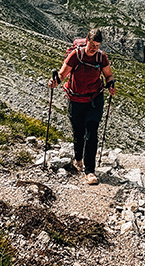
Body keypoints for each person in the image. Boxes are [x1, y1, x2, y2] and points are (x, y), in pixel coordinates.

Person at [49, 28, 116, 185]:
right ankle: (78, 158)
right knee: (78, 133)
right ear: (86, 41)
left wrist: (110, 84)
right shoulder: (76, 55)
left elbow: (108, 75)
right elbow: (62, 74)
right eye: (92, 44)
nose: (94, 48)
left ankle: (90, 171)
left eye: (97, 45)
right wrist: (55, 83)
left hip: (94, 99)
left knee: (91, 132)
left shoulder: (101, 57)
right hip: (76, 99)